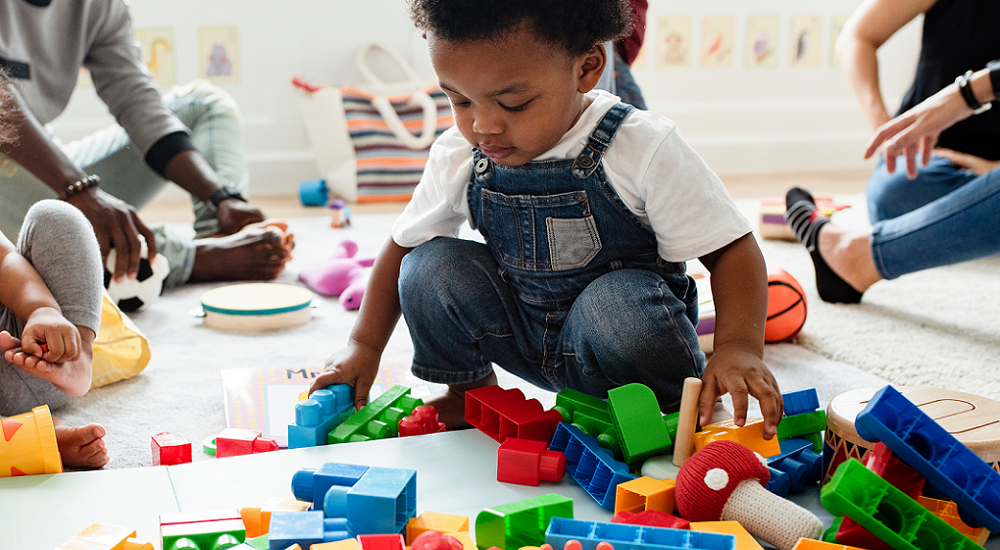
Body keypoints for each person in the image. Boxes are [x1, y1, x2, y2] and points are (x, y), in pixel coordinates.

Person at [310, 0, 783, 436]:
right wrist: (364, 346)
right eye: (459, 100)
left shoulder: (641, 145)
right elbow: (404, 245)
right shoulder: (461, 152)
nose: (483, 125)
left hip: (619, 342)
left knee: (617, 305)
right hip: (522, 333)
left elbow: (732, 248)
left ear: (587, 67)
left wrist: (738, 348)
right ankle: (469, 394)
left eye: (513, 103)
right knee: (429, 266)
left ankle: (665, 412)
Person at [0, 0, 293, 289]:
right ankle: (188, 259)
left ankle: (217, 230)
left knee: (205, 104)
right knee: (58, 220)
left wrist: (220, 197)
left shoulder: (101, 6)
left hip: (40, 160)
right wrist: (79, 188)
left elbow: (136, 102)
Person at [808, 0, 1000, 303]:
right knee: (894, 196)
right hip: (933, 162)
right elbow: (856, 37)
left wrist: (990, 168)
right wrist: (886, 132)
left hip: (990, 166)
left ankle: (859, 257)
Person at [0, 78, 109, 469]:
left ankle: (77, 355)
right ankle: (35, 438)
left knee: (55, 216)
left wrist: (43, 311)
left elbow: (4, 262)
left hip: (30, 356)